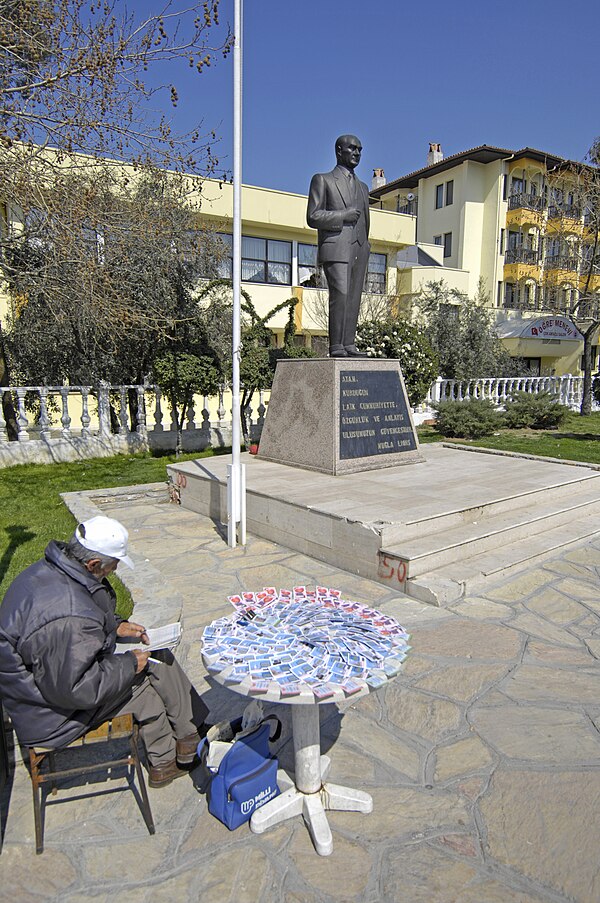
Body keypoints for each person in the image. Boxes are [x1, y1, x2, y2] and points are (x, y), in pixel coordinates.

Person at [0, 516, 209, 788]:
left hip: (42, 691)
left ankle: (191, 732)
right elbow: (76, 689)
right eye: (114, 564)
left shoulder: (55, 571)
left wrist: (116, 626)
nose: (117, 568)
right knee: (147, 690)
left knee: (161, 657)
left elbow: (80, 619)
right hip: (49, 715)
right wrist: (128, 664)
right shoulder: (69, 614)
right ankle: (166, 762)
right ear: (93, 564)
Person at [307, 134, 371, 358]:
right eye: (352, 148)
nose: (357, 153)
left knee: (354, 297)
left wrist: (365, 244)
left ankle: (349, 344)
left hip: (359, 247)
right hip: (336, 246)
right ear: (338, 151)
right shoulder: (322, 180)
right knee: (341, 294)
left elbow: (366, 221)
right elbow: (313, 216)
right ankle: (336, 346)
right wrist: (343, 216)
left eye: (360, 150)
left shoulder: (363, 187)